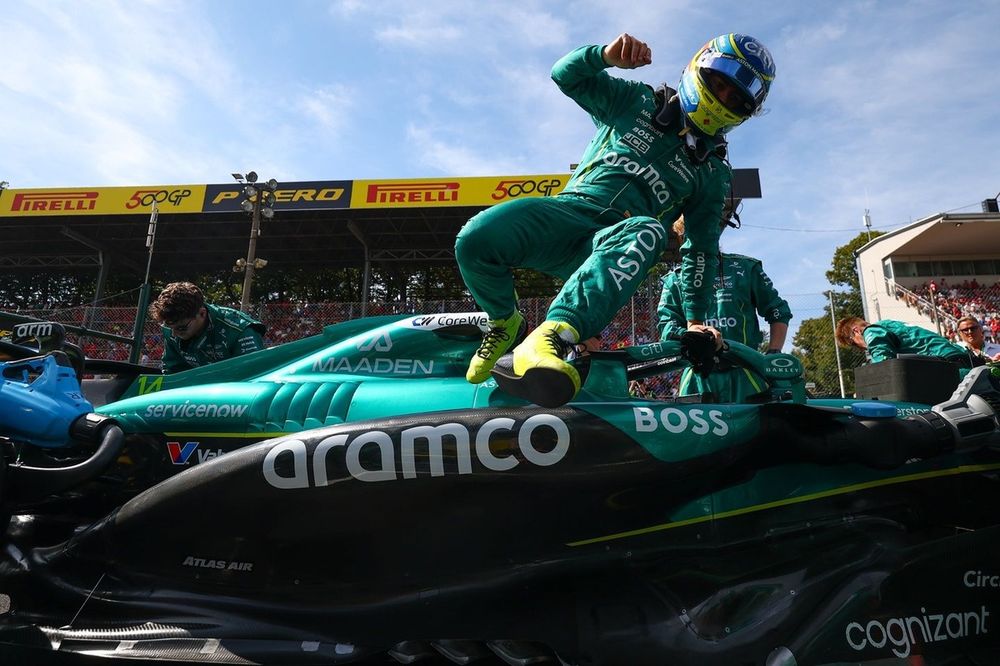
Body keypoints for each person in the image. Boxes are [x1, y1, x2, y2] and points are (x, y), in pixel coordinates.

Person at [455, 32, 776, 405]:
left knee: (649, 229)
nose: (722, 99)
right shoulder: (637, 101)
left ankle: (550, 339)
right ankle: (504, 322)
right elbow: (565, 75)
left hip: (611, 246)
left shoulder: (713, 172)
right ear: (698, 66)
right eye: (719, 84)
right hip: (567, 216)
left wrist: (694, 320)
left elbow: (700, 250)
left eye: (735, 98)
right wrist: (604, 56)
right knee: (476, 238)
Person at [658, 216, 792, 401]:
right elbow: (666, 328)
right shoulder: (674, 280)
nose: (698, 240)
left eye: (703, 232)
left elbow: (778, 311)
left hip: (746, 373)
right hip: (698, 377)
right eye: (690, 235)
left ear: (714, 233)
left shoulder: (746, 268)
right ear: (682, 239)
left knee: (757, 430)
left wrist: (773, 353)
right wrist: (693, 334)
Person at [148, 282, 266, 373]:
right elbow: (172, 372)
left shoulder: (240, 330)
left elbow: (252, 376)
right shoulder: (172, 329)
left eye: (181, 328)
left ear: (202, 313)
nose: (173, 334)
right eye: (169, 326)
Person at [835, 317, 978, 366]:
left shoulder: (871, 331)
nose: (862, 348)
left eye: (855, 344)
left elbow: (884, 363)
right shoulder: (890, 324)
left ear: (856, 332)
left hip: (948, 366)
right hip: (960, 359)